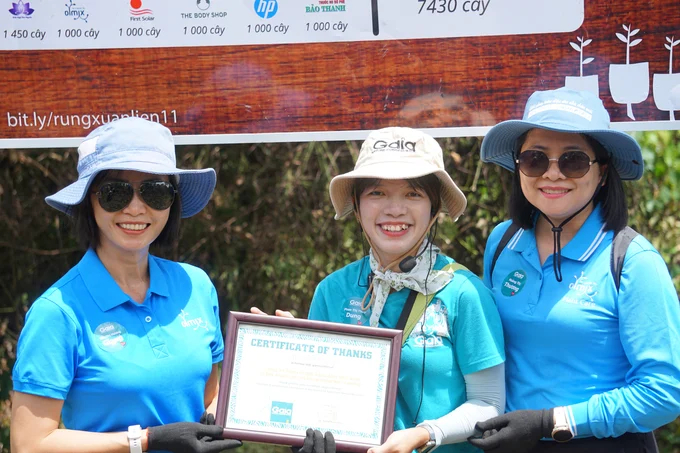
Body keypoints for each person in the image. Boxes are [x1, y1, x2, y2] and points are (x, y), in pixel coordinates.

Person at [10, 118, 241, 453]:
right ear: (89, 200)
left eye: (155, 191)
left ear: (172, 201)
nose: (135, 208)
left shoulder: (196, 285)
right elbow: (29, 444)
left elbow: (210, 397)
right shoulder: (57, 312)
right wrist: (145, 441)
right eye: (115, 192)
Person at [468, 88, 680, 453]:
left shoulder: (632, 260)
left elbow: (664, 393)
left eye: (573, 161)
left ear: (602, 172)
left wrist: (549, 422)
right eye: (535, 159)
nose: (553, 174)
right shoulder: (502, 243)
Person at [304, 127, 506, 453]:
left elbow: (490, 403)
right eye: (377, 193)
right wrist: (288, 345)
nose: (395, 209)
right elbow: (317, 395)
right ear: (356, 204)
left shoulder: (464, 291)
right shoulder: (332, 291)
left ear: (434, 206)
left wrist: (425, 433)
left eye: (413, 193)